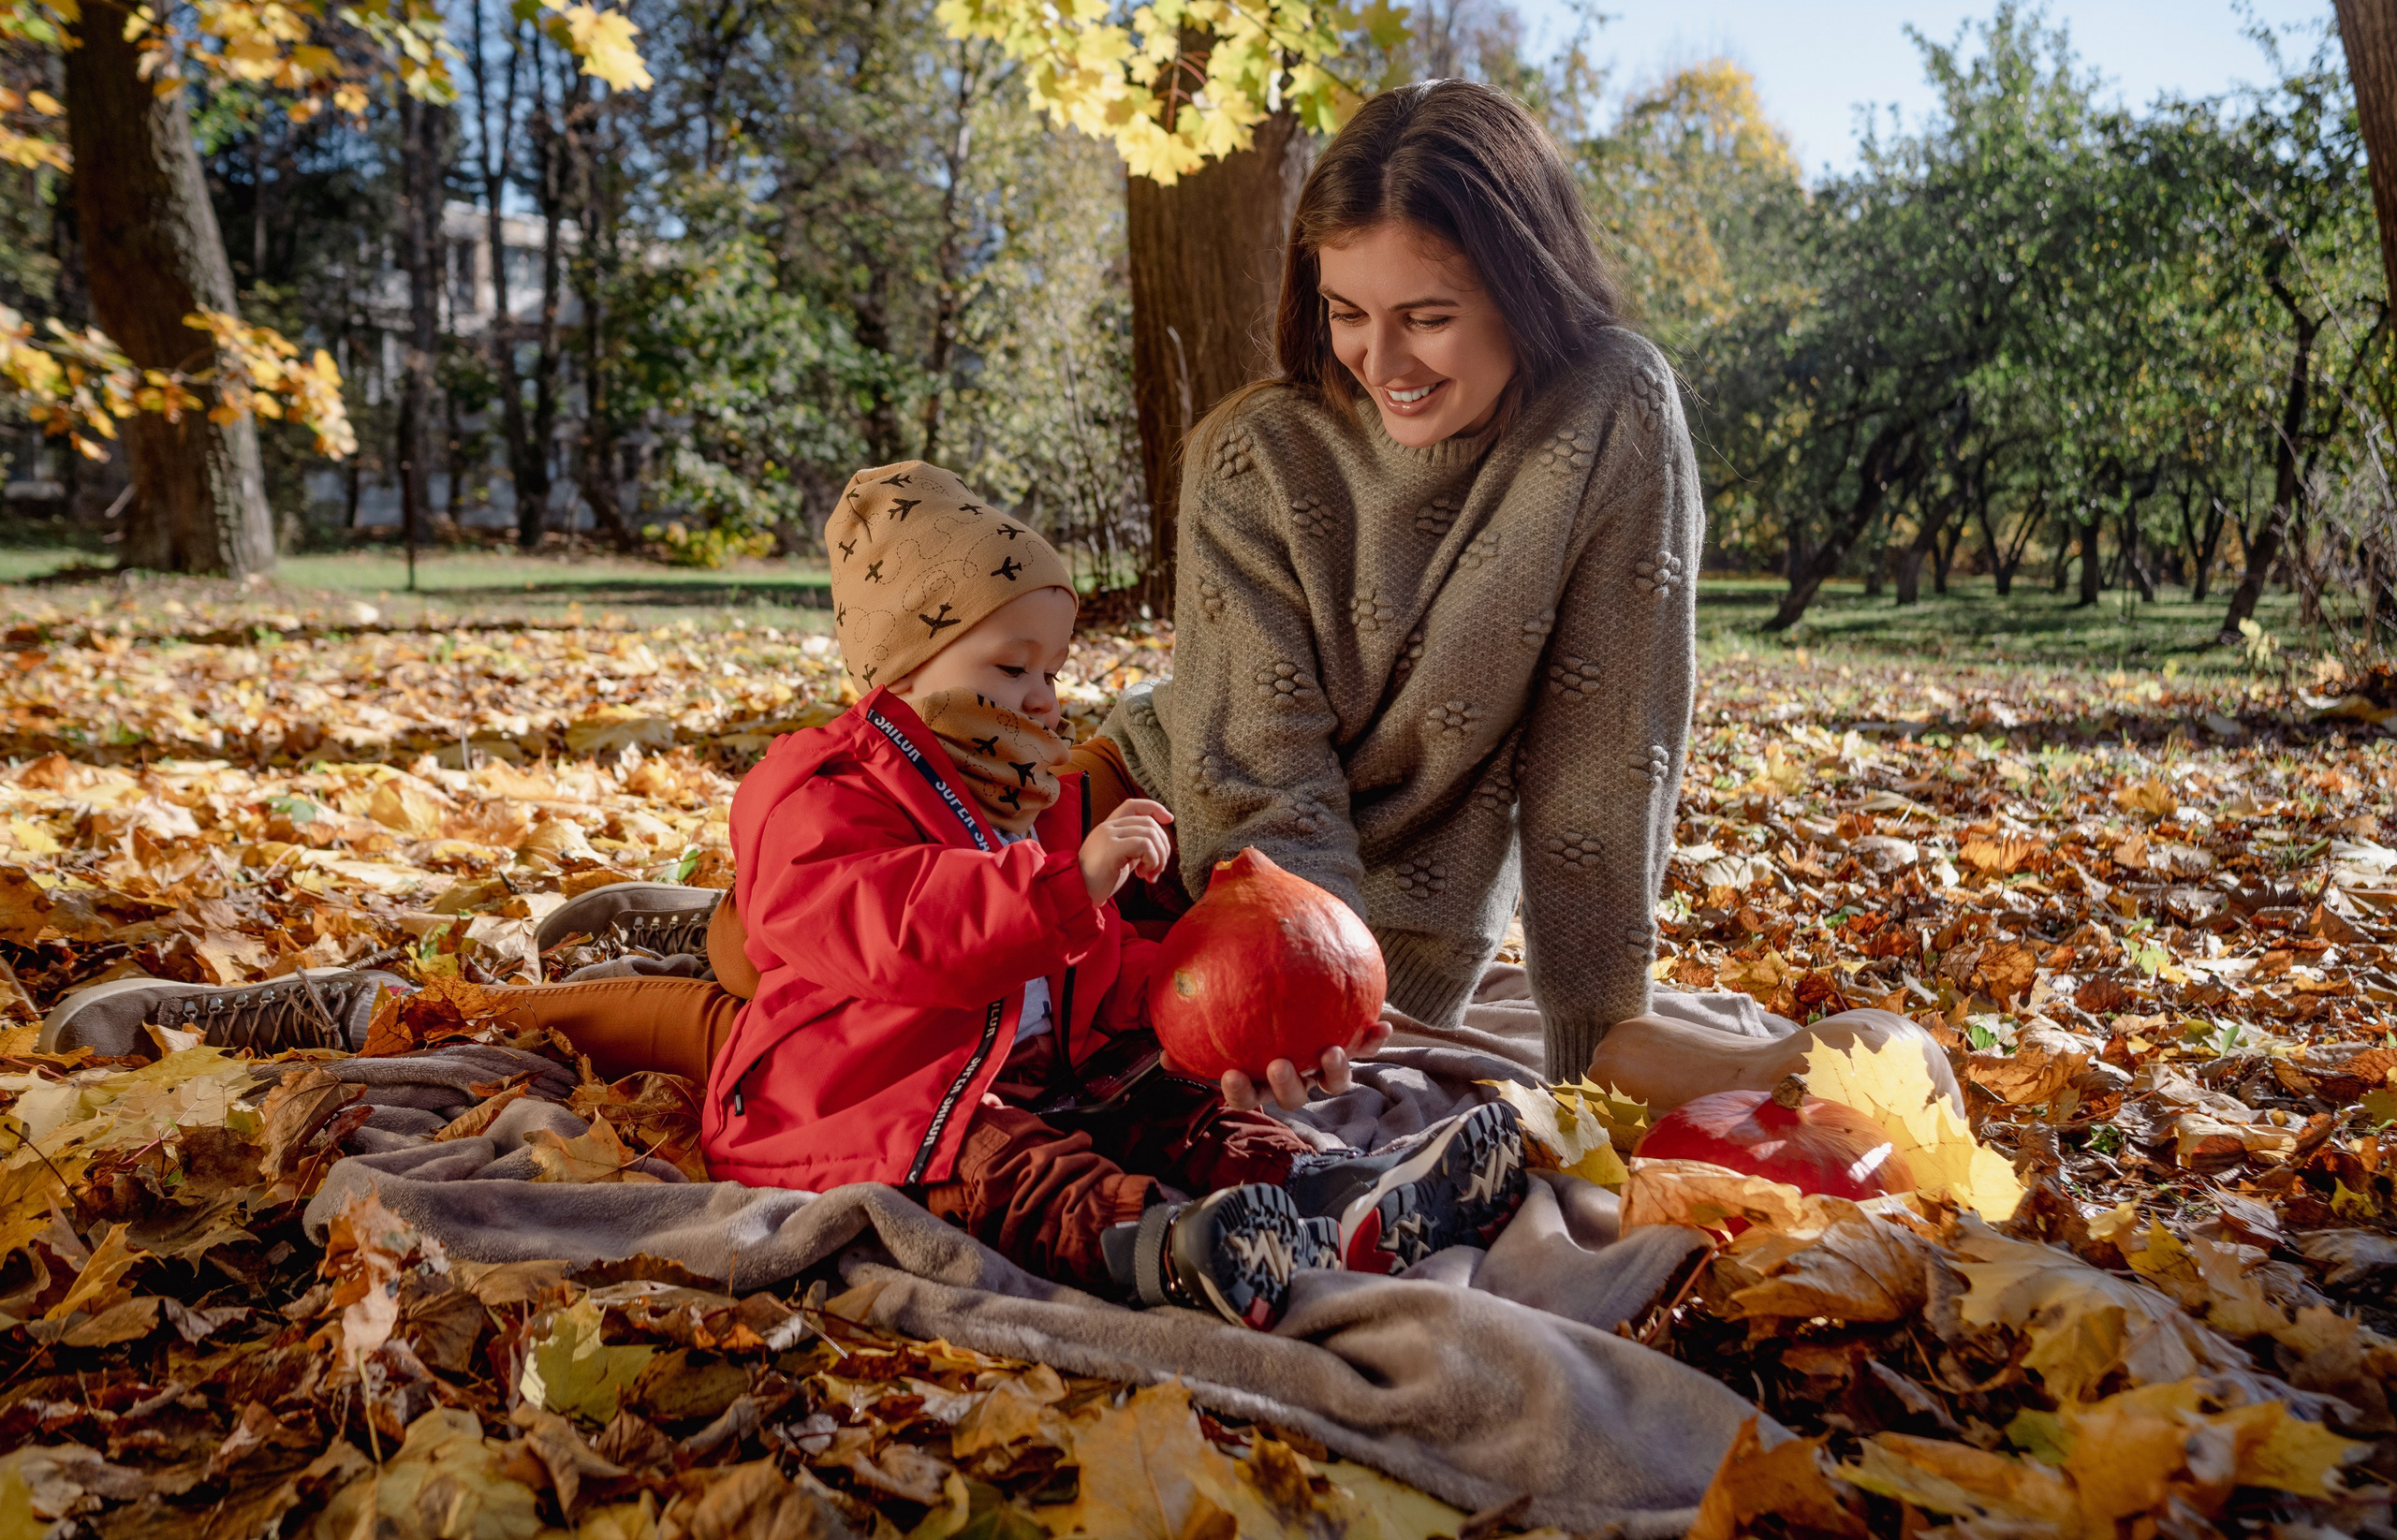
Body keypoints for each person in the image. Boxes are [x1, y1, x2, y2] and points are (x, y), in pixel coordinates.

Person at [38, 461, 1528, 1331]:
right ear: (898, 660)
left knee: (1147, 1094)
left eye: (1050, 668)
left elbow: (1092, 974)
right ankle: (1166, 1246)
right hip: (855, 1078)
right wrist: (1056, 891)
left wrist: (1183, 1007)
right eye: (1005, 670)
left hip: (997, 1048)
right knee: (1000, 1155)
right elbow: (880, 935)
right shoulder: (813, 787)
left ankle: (1329, 1195)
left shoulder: (1046, 788)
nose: (1042, 698)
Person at [1081, 80, 1706, 1084]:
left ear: (1525, 285)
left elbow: (1606, 757)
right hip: (1156, 828)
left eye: (1427, 316)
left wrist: (1591, 1066)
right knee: (795, 957)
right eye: (1345, 313)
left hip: (1378, 945)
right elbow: (1257, 762)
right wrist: (1296, 986)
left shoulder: (1611, 407)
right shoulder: (1255, 453)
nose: (1382, 360)